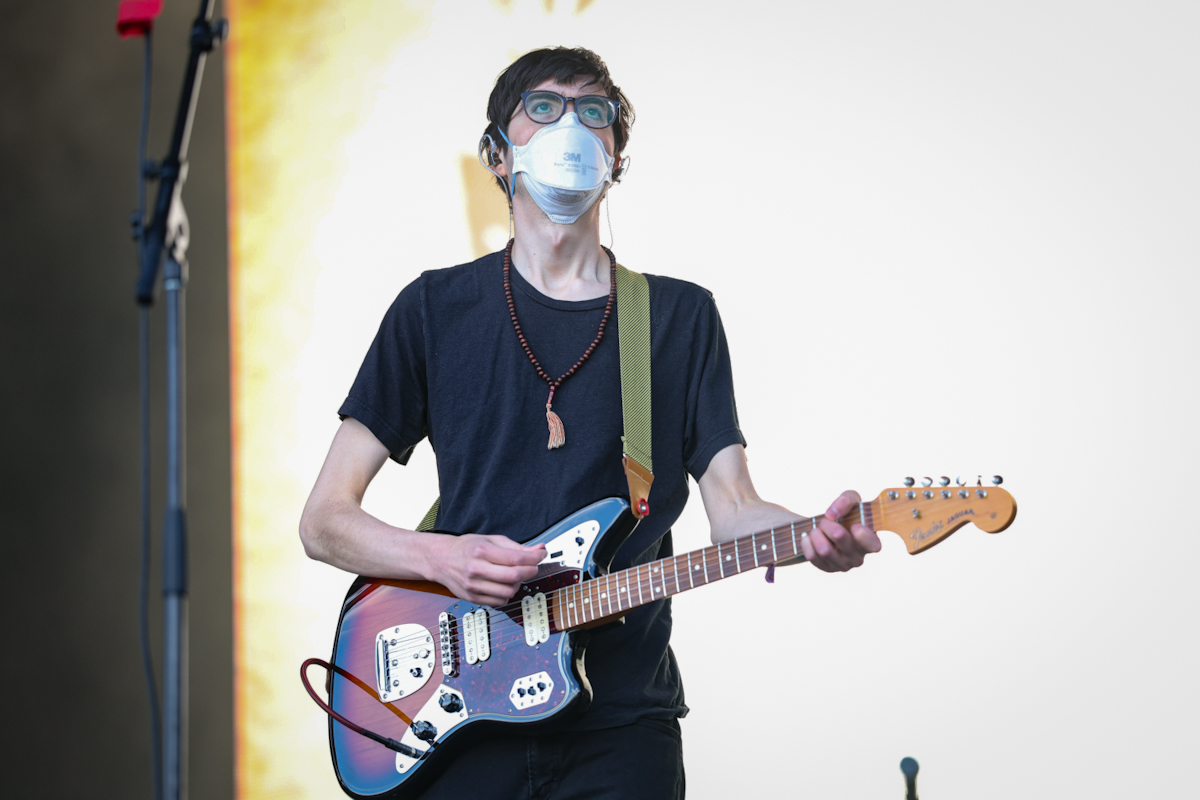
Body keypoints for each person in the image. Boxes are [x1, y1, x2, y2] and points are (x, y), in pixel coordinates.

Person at [299, 46, 881, 799]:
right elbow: (324, 522)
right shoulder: (433, 310)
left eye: (592, 112)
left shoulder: (677, 317)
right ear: (497, 154)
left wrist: (812, 536)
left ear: (616, 161)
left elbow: (735, 510)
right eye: (543, 107)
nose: (569, 125)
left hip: (622, 726)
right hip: (462, 721)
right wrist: (443, 559)